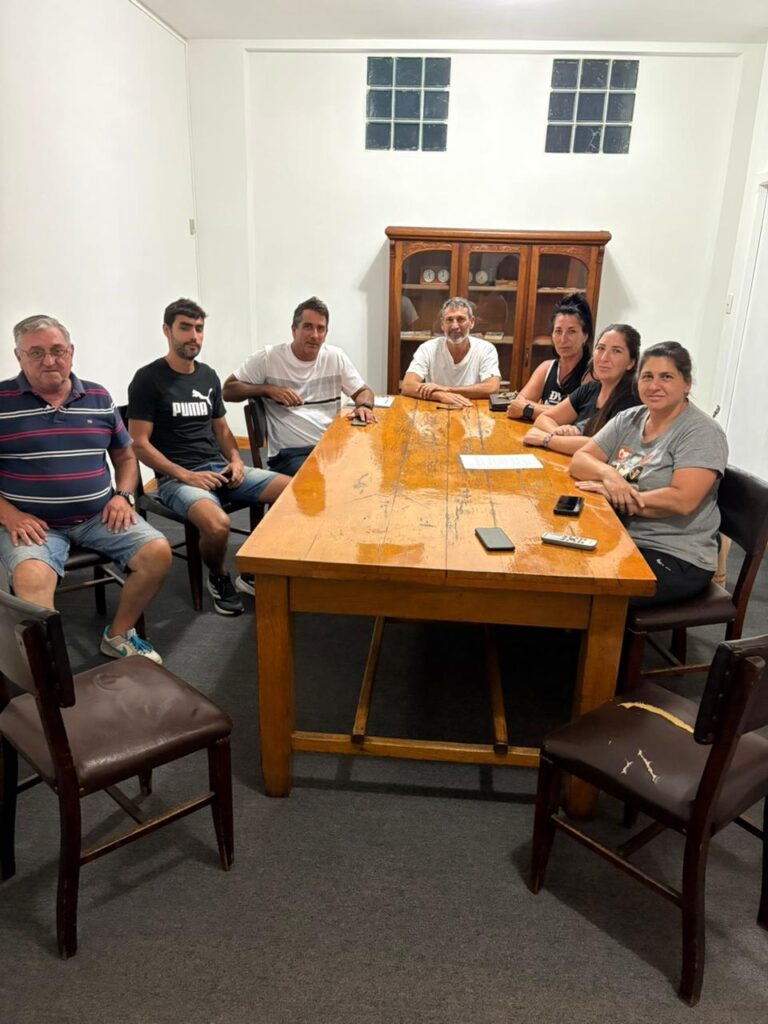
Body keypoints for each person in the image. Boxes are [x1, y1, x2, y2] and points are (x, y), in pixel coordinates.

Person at [0, 315, 171, 662]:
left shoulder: (97, 395)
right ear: (18, 357)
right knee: (32, 582)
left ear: (71, 352)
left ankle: (119, 634)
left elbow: (124, 456)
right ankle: (50, 670)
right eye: (36, 353)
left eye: (57, 350)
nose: (49, 360)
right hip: (32, 523)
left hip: (98, 515)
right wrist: (11, 515)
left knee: (157, 552)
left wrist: (123, 496)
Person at [127, 299, 290, 617]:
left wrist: (236, 459)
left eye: (199, 329)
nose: (194, 336)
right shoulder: (148, 380)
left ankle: (254, 570)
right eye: (185, 327)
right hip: (177, 479)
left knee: (294, 492)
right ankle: (219, 576)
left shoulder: (208, 377)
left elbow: (223, 430)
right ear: (167, 330)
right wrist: (186, 476)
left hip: (219, 469)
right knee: (218, 526)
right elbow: (139, 444)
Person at [570, 342, 728, 608]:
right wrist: (610, 475)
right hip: (621, 536)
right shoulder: (630, 418)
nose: (655, 386)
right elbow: (580, 459)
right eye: (647, 377)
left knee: (585, 595)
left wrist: (617, 495)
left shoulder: (702, 432)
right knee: (561, 572)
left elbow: (682, 501)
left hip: (676, 554)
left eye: (666, 377)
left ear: (686, 384)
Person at [222, 297, 376, 476]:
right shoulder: (269, 357)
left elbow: (364, 391)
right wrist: (267, 389)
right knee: (328, 480)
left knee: (369, 471)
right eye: (308, 327)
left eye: (321, 329)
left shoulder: (335, 357)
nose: (315, 335)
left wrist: (364, 405)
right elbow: (228, 390)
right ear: (294, 330)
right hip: (290, 454)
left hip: (331, 449)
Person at [522, 324, 641, 455]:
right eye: (600, 348)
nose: (604, 358)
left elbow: (603, 446)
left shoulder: (633, 400)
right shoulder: (590, 389)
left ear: (631, 362)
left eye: (616, 351)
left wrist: (547, 439)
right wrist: (560, 434)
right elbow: (544, 418)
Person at [507, 292, 593, 422]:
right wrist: (556, 412)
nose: (563, 339)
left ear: (585, 336)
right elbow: (517, 405)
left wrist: (529, 409)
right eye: (558, 331)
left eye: (572, 331)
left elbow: (575, 418)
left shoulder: (592, 373)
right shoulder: (546, 368)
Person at [400, 297, 501, 408]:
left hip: (471, 410)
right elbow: (407, 385)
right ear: (442, 324)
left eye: (461, 319)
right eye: (449, 320)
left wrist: (447, 389)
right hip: (436, 409)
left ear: (472, 322)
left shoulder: (486, 349)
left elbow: (492, 388)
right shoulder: (427, 348)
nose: (454, 326)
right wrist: (440, 395)